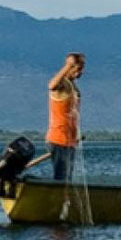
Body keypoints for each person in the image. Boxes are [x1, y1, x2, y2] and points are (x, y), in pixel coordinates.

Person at [46, 52, 85, 180]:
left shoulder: (73, 86)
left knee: (68, 178)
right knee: (61, 178)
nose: (81, 72)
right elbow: (51, 86)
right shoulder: (61, 84)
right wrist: (67, 66)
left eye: (82, 69)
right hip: (59, 139)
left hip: (70, 140)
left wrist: (76, 134)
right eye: (78, 68)